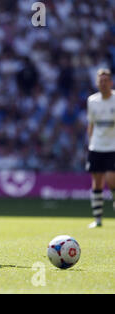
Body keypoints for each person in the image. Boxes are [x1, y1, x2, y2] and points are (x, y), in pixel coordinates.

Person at [85, 68, 115, 228]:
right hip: (96, 147)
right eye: (100, 81)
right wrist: (90, 144)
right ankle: (97, 220)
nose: (103, 84)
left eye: (106, 81)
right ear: (97, 83)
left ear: (111, 82)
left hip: (113, 147)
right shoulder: (92, 101)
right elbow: (91, 124)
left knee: (111, 180)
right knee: (96, 183)